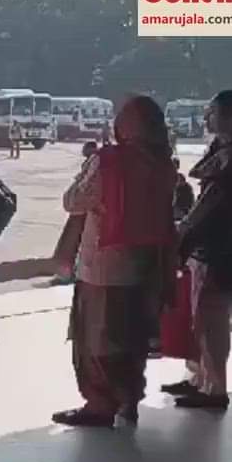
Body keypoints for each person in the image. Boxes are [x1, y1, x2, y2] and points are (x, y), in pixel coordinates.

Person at [52, 95, 176, 428]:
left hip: (104, 263)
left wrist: (84, 171)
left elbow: (74, 201)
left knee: (96, 336)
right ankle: (129, 397)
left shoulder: (109, 160)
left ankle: (100, 404)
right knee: (131, 334)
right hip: (146, 263)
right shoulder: (164, 162)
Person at [166, 89, 232, 411]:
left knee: (211, 318)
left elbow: (211, 201)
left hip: (222, 248)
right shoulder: (226, 149)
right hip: (209, 246)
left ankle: (215, 388)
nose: (207, 118)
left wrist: (183, 228)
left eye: (213, 112)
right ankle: (200, 377)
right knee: (200, 315)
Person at [173, 157, 196, 222]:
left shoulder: (185, 185)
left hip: (181, 211)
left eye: (175, 166)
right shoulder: (167, 179)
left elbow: (190, 202)